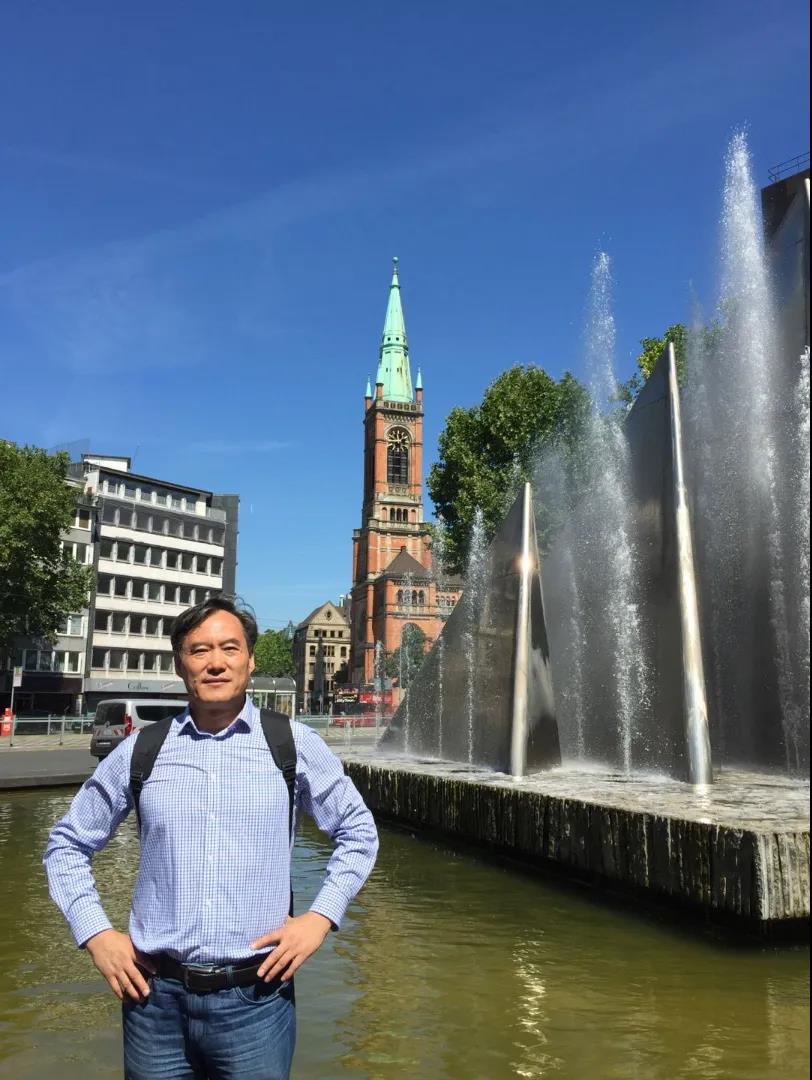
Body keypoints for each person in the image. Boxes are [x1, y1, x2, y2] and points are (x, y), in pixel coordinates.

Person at [44, 596, 379, 1079]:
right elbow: (67, 844)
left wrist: (320, 918)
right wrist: (95, 933)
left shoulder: (293, 744)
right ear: (180, 664)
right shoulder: (143, 749)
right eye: (199, 650)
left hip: (256, 999)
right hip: (152, 1000)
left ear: (251, 660)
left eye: (230, 648)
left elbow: (358, 831)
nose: (216, 662)